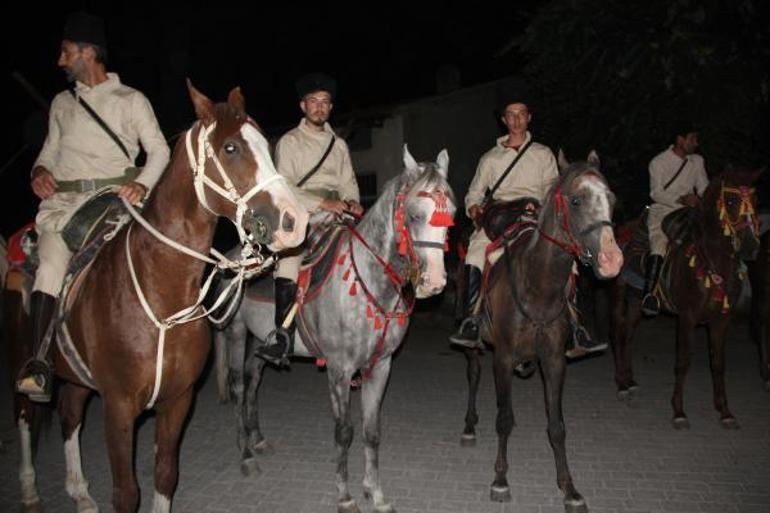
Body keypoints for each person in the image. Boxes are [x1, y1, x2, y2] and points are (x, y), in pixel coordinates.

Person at [16, 11, 170, 402]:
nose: (60, 60)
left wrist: (141, 184)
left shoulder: (131, 99)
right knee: (50, 263)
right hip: (64, 206)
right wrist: (39, 171)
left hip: (115, 203)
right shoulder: (61, 104)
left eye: (66, 52)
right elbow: (48, 152)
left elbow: (159, 152)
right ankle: (38, 363)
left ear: (88, 52)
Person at [449, 96, 606, 356]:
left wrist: (544, 207)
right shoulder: (490, 158)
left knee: (570, 258)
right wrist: (474, 207)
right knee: (476, 253)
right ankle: (473, 320)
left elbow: (552, 190)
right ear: (504, 120)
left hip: (535, 214)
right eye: (511, 114)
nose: (517, 119)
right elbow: (474, 193)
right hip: (499, 217)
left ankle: (578, 328)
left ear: (529, 117)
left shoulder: (543, 153)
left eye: (522, 113)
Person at [254, 72, 363, 366]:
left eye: (325, 102)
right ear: (303, 106)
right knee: (289, 259)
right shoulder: (290, 141)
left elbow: (348, 181)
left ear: (330, 108)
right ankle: (282, 335)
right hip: (301, 211)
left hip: (338, 213)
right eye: (313, 102)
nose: (319, 107)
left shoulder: (338, 145)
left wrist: (352, 201)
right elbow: (285, 185)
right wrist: (322, 202)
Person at [642, 123, 708, 315]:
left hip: (691, 211)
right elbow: (655, 193)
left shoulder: (697, 161)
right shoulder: (658, 162)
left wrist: (704, 198)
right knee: (659, 243)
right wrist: (681, 199)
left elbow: (703, 187)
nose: (696, 143)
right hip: (664, 210)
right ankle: (650, 294)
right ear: (680, 140)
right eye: (692, 138)